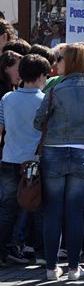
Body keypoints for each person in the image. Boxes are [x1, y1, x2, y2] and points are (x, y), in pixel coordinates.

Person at [34, 44, 84, 281]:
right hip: (82, 152)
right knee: (75, 212)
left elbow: (38, 121)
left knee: (53, 211)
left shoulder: (56, 90)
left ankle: (51, 267)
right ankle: (74, 267)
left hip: (54, 151)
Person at [0, 54, 47, 267]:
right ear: (40, 76)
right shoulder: (44, 100)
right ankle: (40, 252)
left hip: (9, 158)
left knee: (8, 207)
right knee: (37, 207)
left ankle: (2, 251)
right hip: (34, 161)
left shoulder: (7, 99)